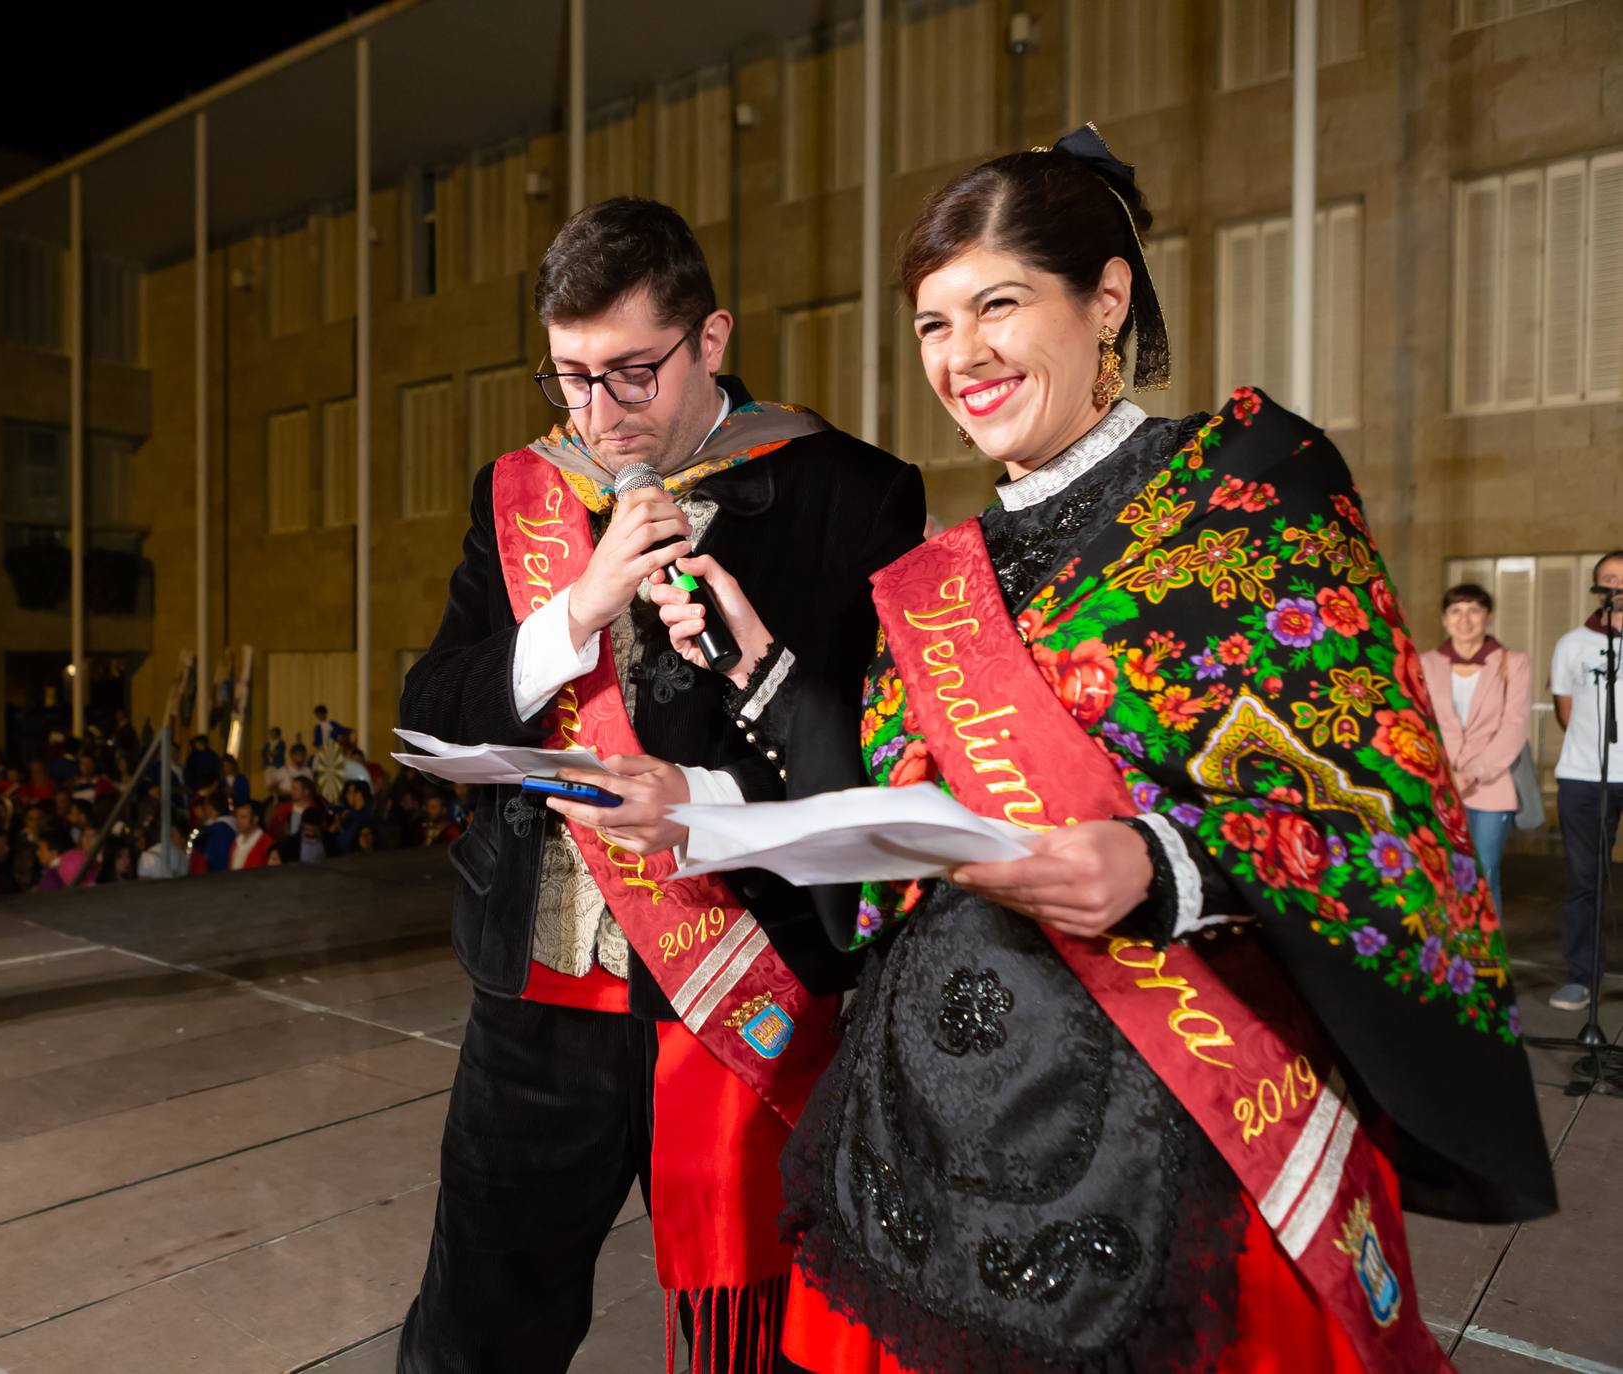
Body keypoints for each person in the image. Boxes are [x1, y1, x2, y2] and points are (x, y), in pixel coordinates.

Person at [660, 128, 1556, 1373]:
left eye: (998, 306)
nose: (960, 356)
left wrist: (1159, 863)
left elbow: (1378, 798)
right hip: (921, 1127)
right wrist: (758, 666)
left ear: (1108, 300)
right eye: (931, 324)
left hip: (1173, 1121)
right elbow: (890, 818)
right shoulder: (932, 578)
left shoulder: (1244, 485)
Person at [396, 196, 924, 1373]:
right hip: (536, 991)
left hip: (743, 977)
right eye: (570, 378)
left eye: (632, 373)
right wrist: (574, 611)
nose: (599, 414)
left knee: (762, 1333)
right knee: (474, 1334)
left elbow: (872, 756)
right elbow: (426, 709)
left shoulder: (852, 493)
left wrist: (705, 773)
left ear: (712, 340)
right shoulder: (516, 490)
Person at [1546, 549, 1623, 1012]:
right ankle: (1581, 978)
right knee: (1584, 879)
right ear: (1597, 586)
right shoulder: (1572, 643)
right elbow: (1564, 709)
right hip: (1584, 776)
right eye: (1608, 578)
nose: (1616, 585)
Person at [1422, 583, 1530, 906]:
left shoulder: (1513, 662)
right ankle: (1449, 950)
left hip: (1491, 785)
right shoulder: (1425, 663)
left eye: (1474, 610)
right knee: (1442, 871)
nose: (1464, 619)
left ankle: (1486, 952)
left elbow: (1515, 726)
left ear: (1488, 617)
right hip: (1438, 784)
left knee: (1484, 871)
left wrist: (1472, 773)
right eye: (1455, 611)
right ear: (1444, 619)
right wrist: (1442, 772)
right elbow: (1419, 723)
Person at [226, 801, 276, 870]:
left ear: (255, 819)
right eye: (237, 816)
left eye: (243, 817)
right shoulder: (235, 842)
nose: (238, 821)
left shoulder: (266, 843)